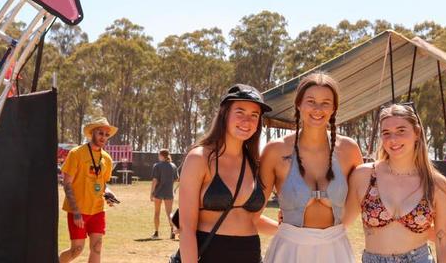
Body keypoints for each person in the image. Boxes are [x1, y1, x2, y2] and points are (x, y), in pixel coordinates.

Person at [260, 72, 363, 263]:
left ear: (334, 108)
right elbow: (253, 212)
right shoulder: (275, 150)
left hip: (336, 251)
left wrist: (338, 230)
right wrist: (287, 233)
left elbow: (362, 200)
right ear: (298, 104)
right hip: (288, 253)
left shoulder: (349, 150)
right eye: (310, 101)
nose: (318, 109)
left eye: (325, 102)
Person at [178, 84, 276, 263]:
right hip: (210, 255)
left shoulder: (255, 163)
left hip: (251, 255)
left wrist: (289, 230)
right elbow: (186, 228)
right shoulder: (199, 158)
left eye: (254, 115)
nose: (247, 121)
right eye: (240, 112)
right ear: (224, 114)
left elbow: (251, 219)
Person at [345, 104, 446, 263]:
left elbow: (443, 244)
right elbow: (339, 225)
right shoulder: (363, 176)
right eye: (386, 133)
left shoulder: (436, 185)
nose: (393, 139)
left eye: (401, 131)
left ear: (417, 132)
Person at [59, 117, 119, 263]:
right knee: (76, 250)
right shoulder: (76, 153)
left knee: (97, 248)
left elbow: (102, 184)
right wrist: (76, 212)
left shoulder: (107, 159)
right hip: (78, 210)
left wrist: (109, 193)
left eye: (106, 135)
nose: (103, 137)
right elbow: (67, 183)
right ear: (92, 133)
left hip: (97, 210)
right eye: (100, 133)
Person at [150, 148, 178, 239]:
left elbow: (155, 180)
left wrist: (151, 193)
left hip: (158, 192)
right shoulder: (173, 166)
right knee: (170, 213)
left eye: (159, 155)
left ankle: (156, 233)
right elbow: (177, 179)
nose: (158, 156)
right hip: (169, 192)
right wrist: (174, 189)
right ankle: (172, 232)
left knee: (157, 213)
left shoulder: (157, 166)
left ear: (162, 155)